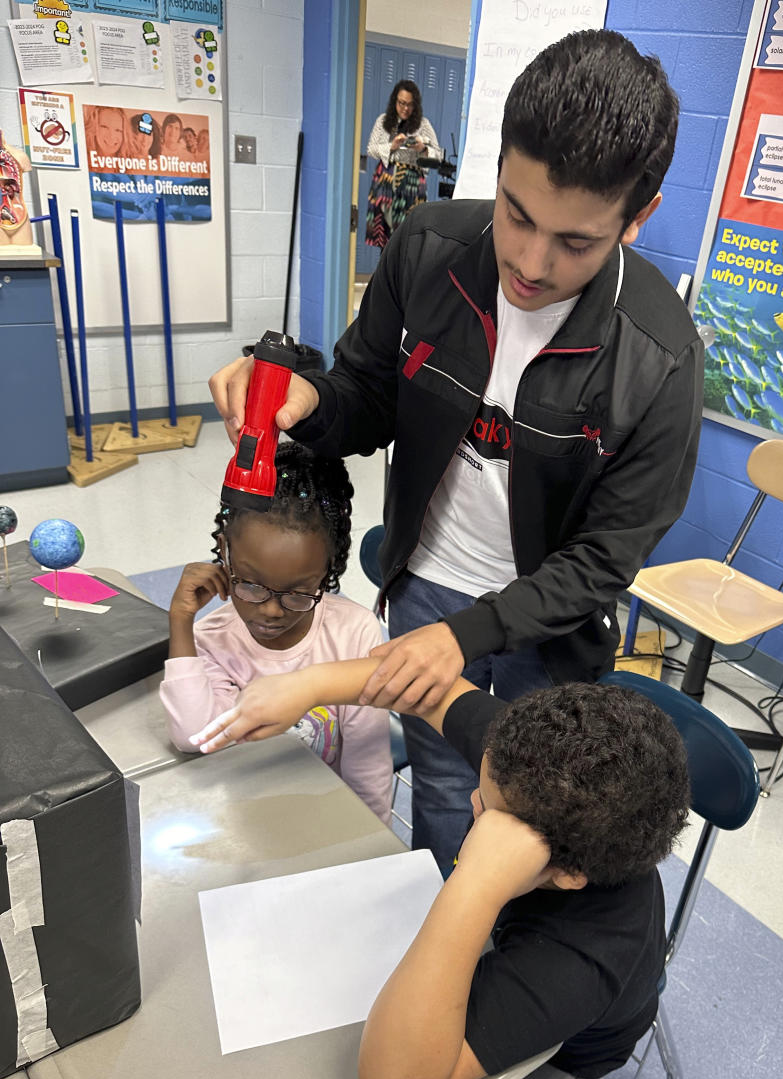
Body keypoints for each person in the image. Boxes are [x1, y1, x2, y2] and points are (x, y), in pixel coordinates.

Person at [209, 30, 703, 877]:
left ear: (638, 215)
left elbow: (601, 561)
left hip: (548, 630)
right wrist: (310, 403)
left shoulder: (659, 357)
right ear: (500, 165)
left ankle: (509, 982)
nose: (531, 262)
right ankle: (447, 950)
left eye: (576, 242)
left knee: (539, 822)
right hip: (427, 583)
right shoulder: (429, 248)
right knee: (442, 787)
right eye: (516, 213)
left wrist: (471, 634)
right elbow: (367, 397)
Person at [189, 661, 690, 1079]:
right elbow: (427, 687)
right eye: (482, 786)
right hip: (507, 937)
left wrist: (475, 886)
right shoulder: (534, 766)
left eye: (490, 813)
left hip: (564, 1054)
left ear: (567, 873)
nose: (473, 804)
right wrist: (310, 684)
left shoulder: (583, 959)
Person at [158, 443, 393, 825]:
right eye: (250, 585)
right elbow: (192, 735)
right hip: (246, 817)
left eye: (299, 594)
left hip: (326, 816)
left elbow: (367, 765)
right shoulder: (212, 638)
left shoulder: (353, 632)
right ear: (225, 552)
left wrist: (372, 844)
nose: (270, 609)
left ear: (327, 571)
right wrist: (181, 621)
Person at [364, 80, 441, 249]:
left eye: (410, 105)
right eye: (401, 103)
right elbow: (371, 148)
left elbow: (438, 155)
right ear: (395, 101)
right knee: (384, 238)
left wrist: (422, 149)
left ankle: (404, 275)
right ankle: (385, 272)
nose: (405, 108)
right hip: (384, 184)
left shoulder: (423, 124)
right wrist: (392, 146)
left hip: (412, 185)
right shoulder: (383, 121)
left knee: (409, 238)